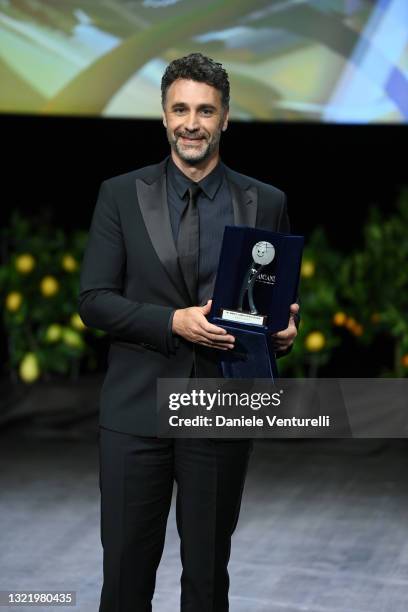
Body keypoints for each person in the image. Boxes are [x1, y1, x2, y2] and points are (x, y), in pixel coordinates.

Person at [79, 53, 299, 612]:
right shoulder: (120, 194)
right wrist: (172, 322)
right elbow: (94, 301)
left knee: (207, 578)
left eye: (205, 110)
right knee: (125, 577)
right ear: (163, 115)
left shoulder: (265, 201)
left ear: (226, 118)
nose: (191, 123)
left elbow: (270, 304)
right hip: (135, 414)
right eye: (180, 109)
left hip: (218, 411)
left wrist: (283, 329)